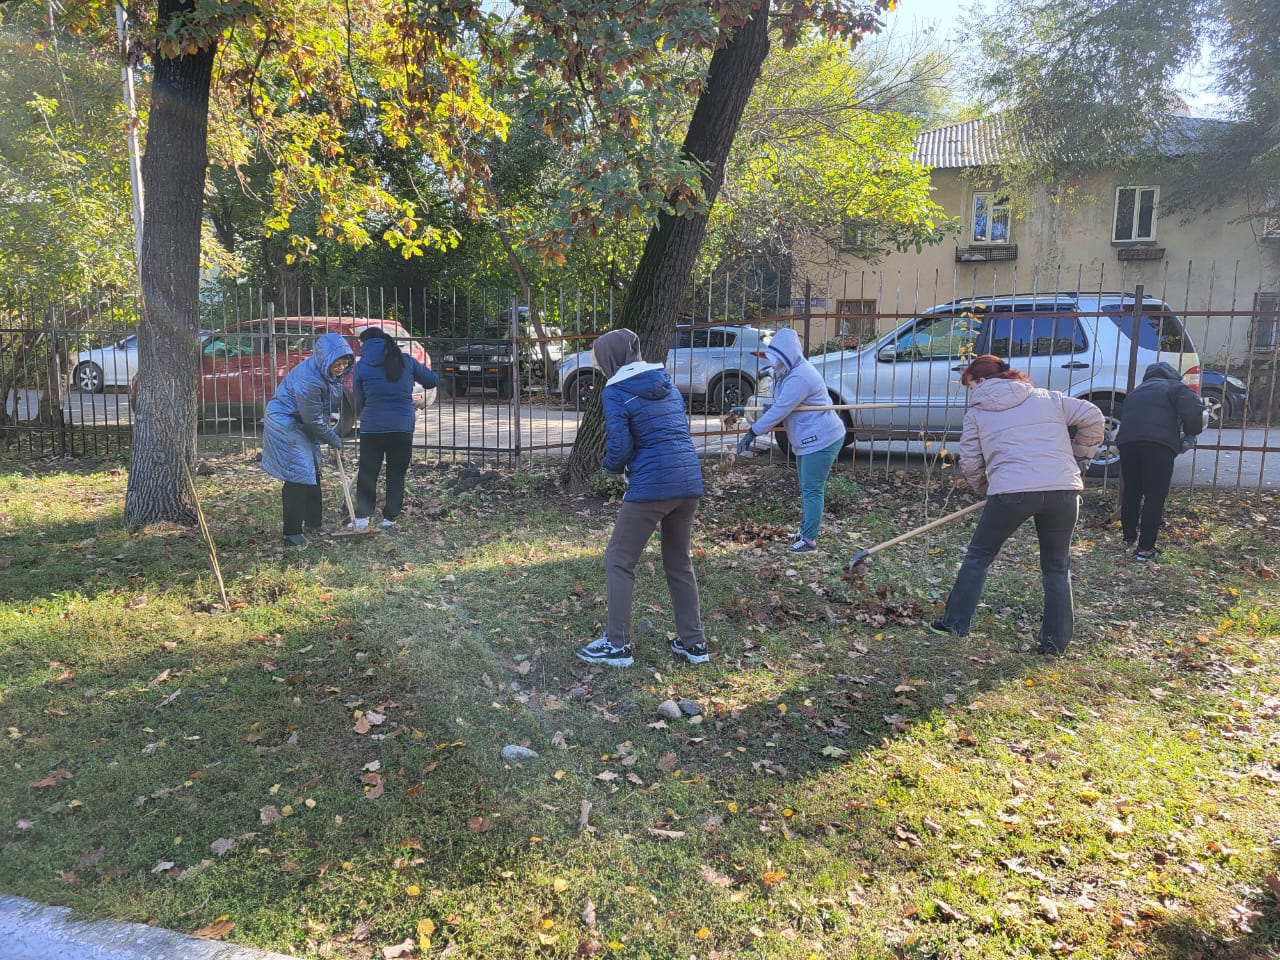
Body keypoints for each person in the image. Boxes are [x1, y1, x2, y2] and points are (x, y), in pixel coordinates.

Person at [930, 354, 1104, 655]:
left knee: (978, 557)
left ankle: (954, 624)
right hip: (1064, 490)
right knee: (1057, 566)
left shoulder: (977, 412)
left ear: (981, 381)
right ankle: (1054, 643)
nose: (972, 392)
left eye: (970, 385)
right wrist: (1080, 458)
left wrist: (987, 487)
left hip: (1011, 493)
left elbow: (971, 461)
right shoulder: (1049, 398)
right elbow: (1093, 417)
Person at [575, 328, 709, 669]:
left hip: (652, 485)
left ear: (611, 359)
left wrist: (611, 469)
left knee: (619, 558)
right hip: (688, 480)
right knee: (679, 561)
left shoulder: (616, 390)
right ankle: (694, 644)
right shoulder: (665, 382)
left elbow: (619, 445)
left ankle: (616, 646)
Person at [735, 327, 846, 552]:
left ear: (787, 355)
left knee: (812, 489)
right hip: (807, 438)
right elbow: (781, 403)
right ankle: (806, 530)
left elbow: (781, 409)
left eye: (777, 358)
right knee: (807, 488)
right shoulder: (785, 372)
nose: (773, 362)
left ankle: (809, 540)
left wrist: (753, 432)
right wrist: (763, 406)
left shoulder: (801, 376)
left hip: (822, 438)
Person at [260, 332, 354, 548]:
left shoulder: (328, 373)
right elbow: (312, 419)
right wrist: (333, 438)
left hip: (302, 420)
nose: (341, 368)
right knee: (299, 473)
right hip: (285, 420)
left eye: (344, 363)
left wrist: (328, 429)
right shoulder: (309, 379)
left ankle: (314, 522)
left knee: (313, 470)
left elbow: (321, 409)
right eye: (336, 363)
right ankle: (291, 534)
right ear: (325, 359)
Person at [1115, 361, 1206, 561]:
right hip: (1159, 445)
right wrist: (1190, 435)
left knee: (1131, 490)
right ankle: (1145, 549)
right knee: (1155, 496)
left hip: (1128, 444)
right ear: (1172, 375)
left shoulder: (1136, 392)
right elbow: (1194, 411)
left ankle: (1128, 538)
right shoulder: (1176, 387)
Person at [350, 327, 439, 530]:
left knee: (368, 472)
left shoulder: (362, 365)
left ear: (365, 344)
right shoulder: (406, 361)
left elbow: (359, 397)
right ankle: (390, 518)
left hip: (372, 427)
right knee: (396, 473)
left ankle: (363, 517)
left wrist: (370, 410)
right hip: (402, 427)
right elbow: (432, 380)